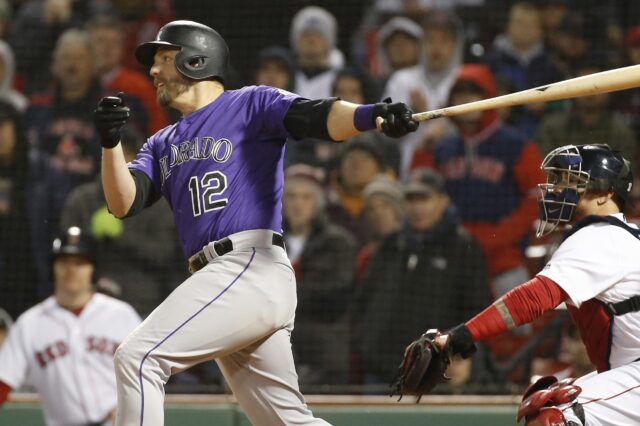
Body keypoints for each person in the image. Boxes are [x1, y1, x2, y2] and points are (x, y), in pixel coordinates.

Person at [93, 20, 417, 426]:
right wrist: (109, 146)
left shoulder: (249, 103)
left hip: (248, 265)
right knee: (288, 422)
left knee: (138, 358)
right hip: (224, 282)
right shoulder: (163, 140)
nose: (153, 71)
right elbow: (124, 203)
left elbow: (315, 116)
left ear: (196, 58)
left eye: (163, 58)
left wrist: (372, 115)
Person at [405, 144, 639, 425]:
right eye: (558, 180)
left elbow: (534, 298)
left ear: (606, 194)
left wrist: (460, 335)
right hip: (627, 375)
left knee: (554, 413)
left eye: (571, 182)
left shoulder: (600, 236)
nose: (556, 190)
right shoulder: (622, 235)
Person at [354, 168, 490, 389]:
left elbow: (476, 309)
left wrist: (460, 353)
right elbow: (363, 302)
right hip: (382, 371)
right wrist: (366, 344)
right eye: (410, 199)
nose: (417, 207)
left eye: (424, 199)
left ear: (442, 201)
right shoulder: (390, 245)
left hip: (435, 374)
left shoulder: (463, 248)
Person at [0, 226, 141, 426]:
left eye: (80, 263)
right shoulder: (30, 323)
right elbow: (3, 382)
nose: (72, 270)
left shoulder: (121, 314)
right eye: (64, 262)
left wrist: (132, 405)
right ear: (53, 268)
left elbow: (148, 370)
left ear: (93, 270)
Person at [432, 64, 544, 298]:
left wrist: (498, 236)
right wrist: (424, 146)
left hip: (504, 257)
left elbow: (539, 197)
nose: (467, 101)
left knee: (513, 327)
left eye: (474, 94)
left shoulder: (515, 145)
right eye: (460, 95)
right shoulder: (443, 147)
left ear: (489, 98)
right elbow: (425, 191)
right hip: (453, 255)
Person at [59, 125, 182, 317]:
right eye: (110, 155)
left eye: (125, 155)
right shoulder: (82, 200)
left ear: (137, 158)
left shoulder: (156, 202)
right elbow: (65, 253)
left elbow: (165, 255)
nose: (118, 163)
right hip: (89, 299)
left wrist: (123, 235)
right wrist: (89, 237)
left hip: (142, 302)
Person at [282, 165, 357, 387]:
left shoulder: (338, 243)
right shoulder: (267, 241)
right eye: (291, 196)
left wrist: (279, 295)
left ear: (318, 203)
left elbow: (336, 294)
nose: (297, 203)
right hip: (278, 348)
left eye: (306, 197)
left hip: (324, 355)